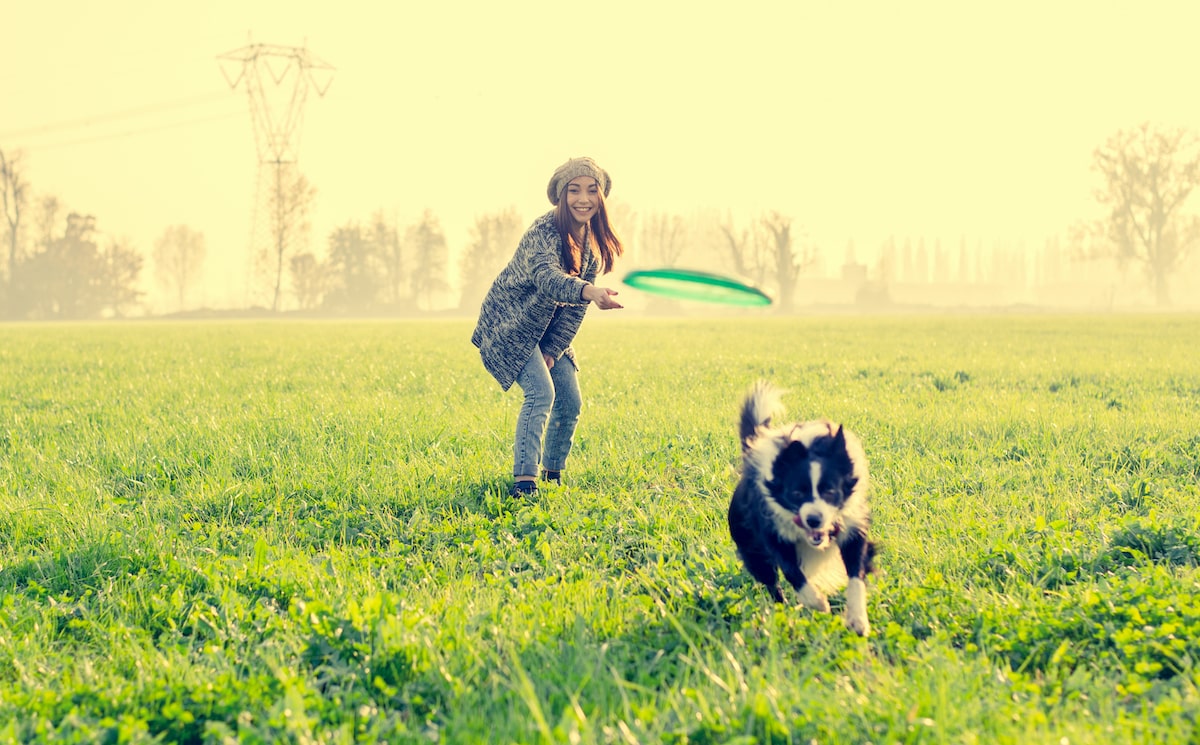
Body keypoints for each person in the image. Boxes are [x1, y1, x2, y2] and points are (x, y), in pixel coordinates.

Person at [471, 156, 625, 497]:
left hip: (546, 332)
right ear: (560, 195)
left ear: (601, 197)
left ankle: (552, 475)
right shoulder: (543, 232)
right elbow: (547, 278)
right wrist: (589, 290)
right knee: (542, 393)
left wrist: (553, 350)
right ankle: (524, 483)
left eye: (591, 190)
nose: (583, 199)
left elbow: (572, 313)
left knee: (569, 400)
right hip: (510, 327)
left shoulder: (591, 251)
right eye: (574, 190)